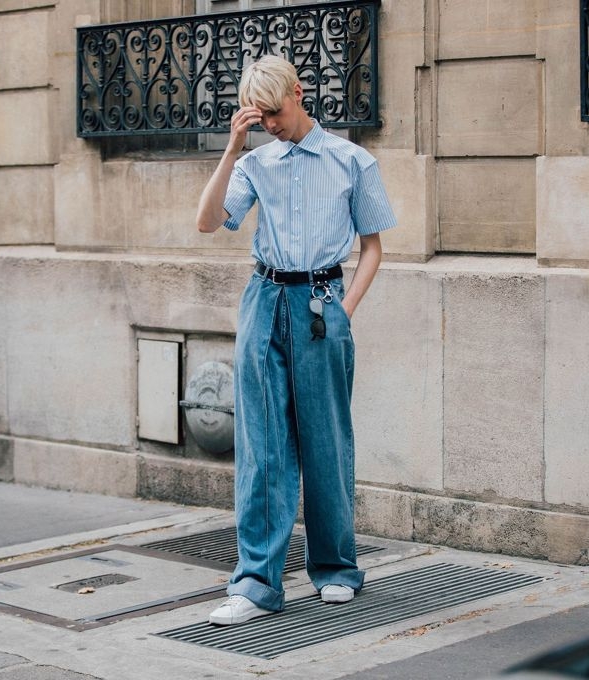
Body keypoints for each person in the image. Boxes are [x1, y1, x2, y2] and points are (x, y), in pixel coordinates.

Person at [195, 55, 398, 626]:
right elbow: (208, 222)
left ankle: (335, 568)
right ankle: (256, 583)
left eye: (276, 113)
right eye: (261, 118)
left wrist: (344, 311)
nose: (273, 125)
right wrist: (232, 149)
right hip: (264, 301)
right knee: (262, 444)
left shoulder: (352, 161)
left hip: (322, 302)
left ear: (299, 94)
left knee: (326, 438)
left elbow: (373, 248)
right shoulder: (256, 162)